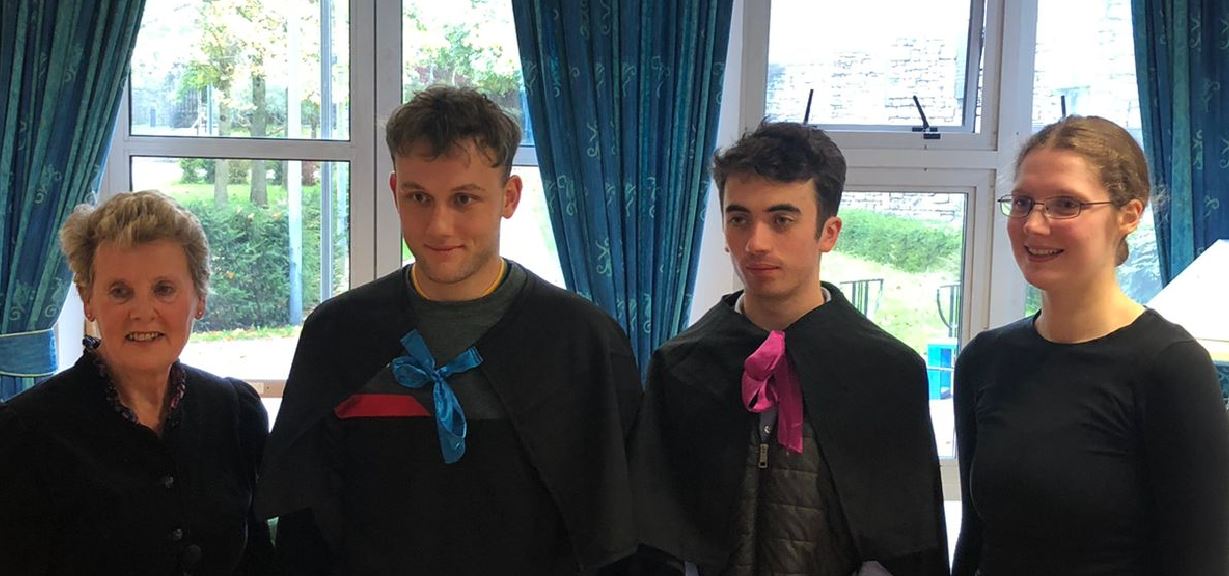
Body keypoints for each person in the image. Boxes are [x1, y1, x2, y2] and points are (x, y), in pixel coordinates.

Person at [255, 85, 642, 575]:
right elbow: (303, 529)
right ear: (395, 191)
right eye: (419, 197)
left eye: (464, 199)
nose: (439, 226)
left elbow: (615, 536)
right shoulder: (337, 335)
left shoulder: (583, 343)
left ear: (509, 197)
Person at [628, 121, 949, 576]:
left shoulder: (887, 373)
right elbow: (656, 541)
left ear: (829, 232)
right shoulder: (681, 367)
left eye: (782, 220)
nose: (756, 243)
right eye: (739, 219)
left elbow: (909, 548)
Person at [951, 115, 1229, 575]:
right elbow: (976, 540)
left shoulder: (1170, 368)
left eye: (1066, 204)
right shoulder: (984, 359)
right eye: (1022, 202)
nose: (1034, 225)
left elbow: (1201, 561)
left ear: (1129, 215)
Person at [0, 190, 273, 575]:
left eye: (164, 289)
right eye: (120, 291)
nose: (143, 312)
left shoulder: (235, 412)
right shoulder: (23, 434)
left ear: (199, 298)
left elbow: (258, 561)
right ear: (88, 299)